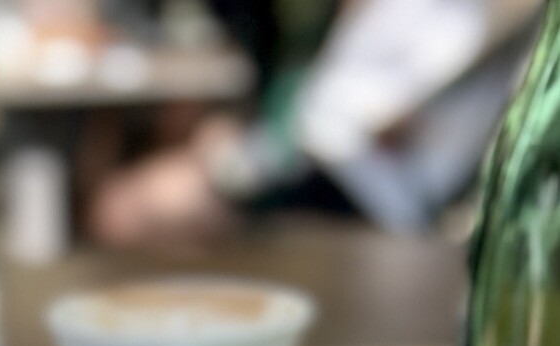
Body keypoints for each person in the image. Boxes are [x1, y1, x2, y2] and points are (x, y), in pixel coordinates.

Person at [90, 0, 537, 244]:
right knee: (128, 201)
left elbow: (381, 122)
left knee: (126, 208)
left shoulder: (479, 18)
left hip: (359, 184)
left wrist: (238, 159)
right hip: (303, 158)